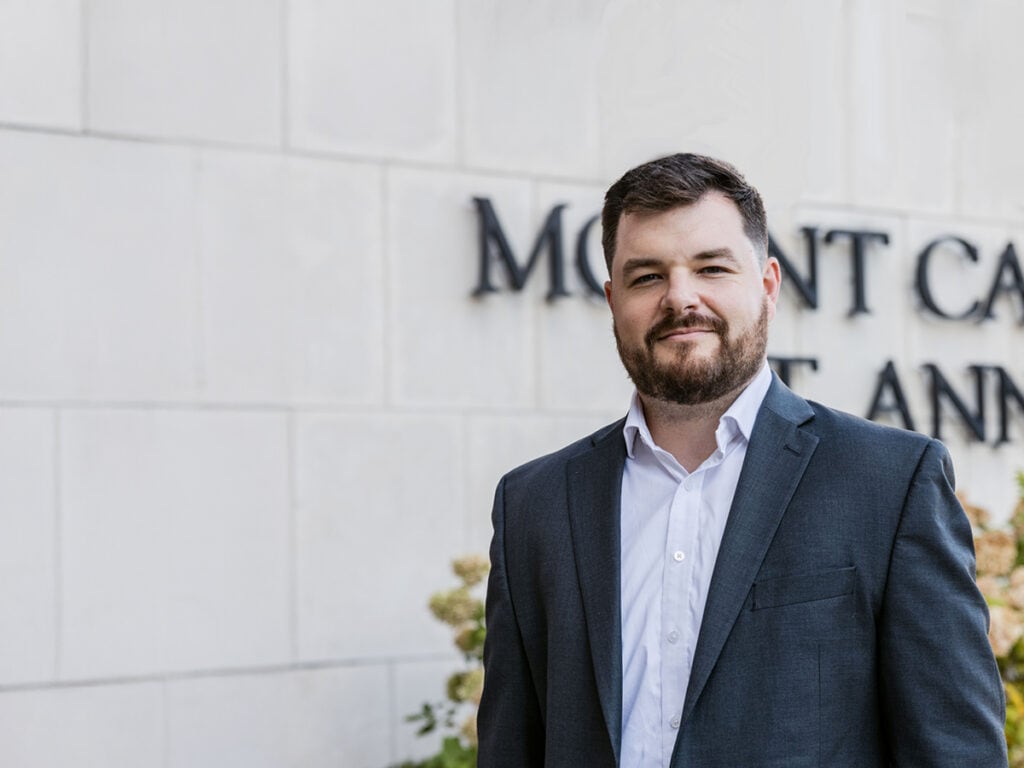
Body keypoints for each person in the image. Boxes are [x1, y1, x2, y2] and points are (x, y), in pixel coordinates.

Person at [476, 153, 1007, 767]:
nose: (681, 299)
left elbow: (956, 751)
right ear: (611, 299)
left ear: (767, 286)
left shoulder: (888, 484)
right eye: (646, 276)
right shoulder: (533, 504)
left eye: (712, 268)